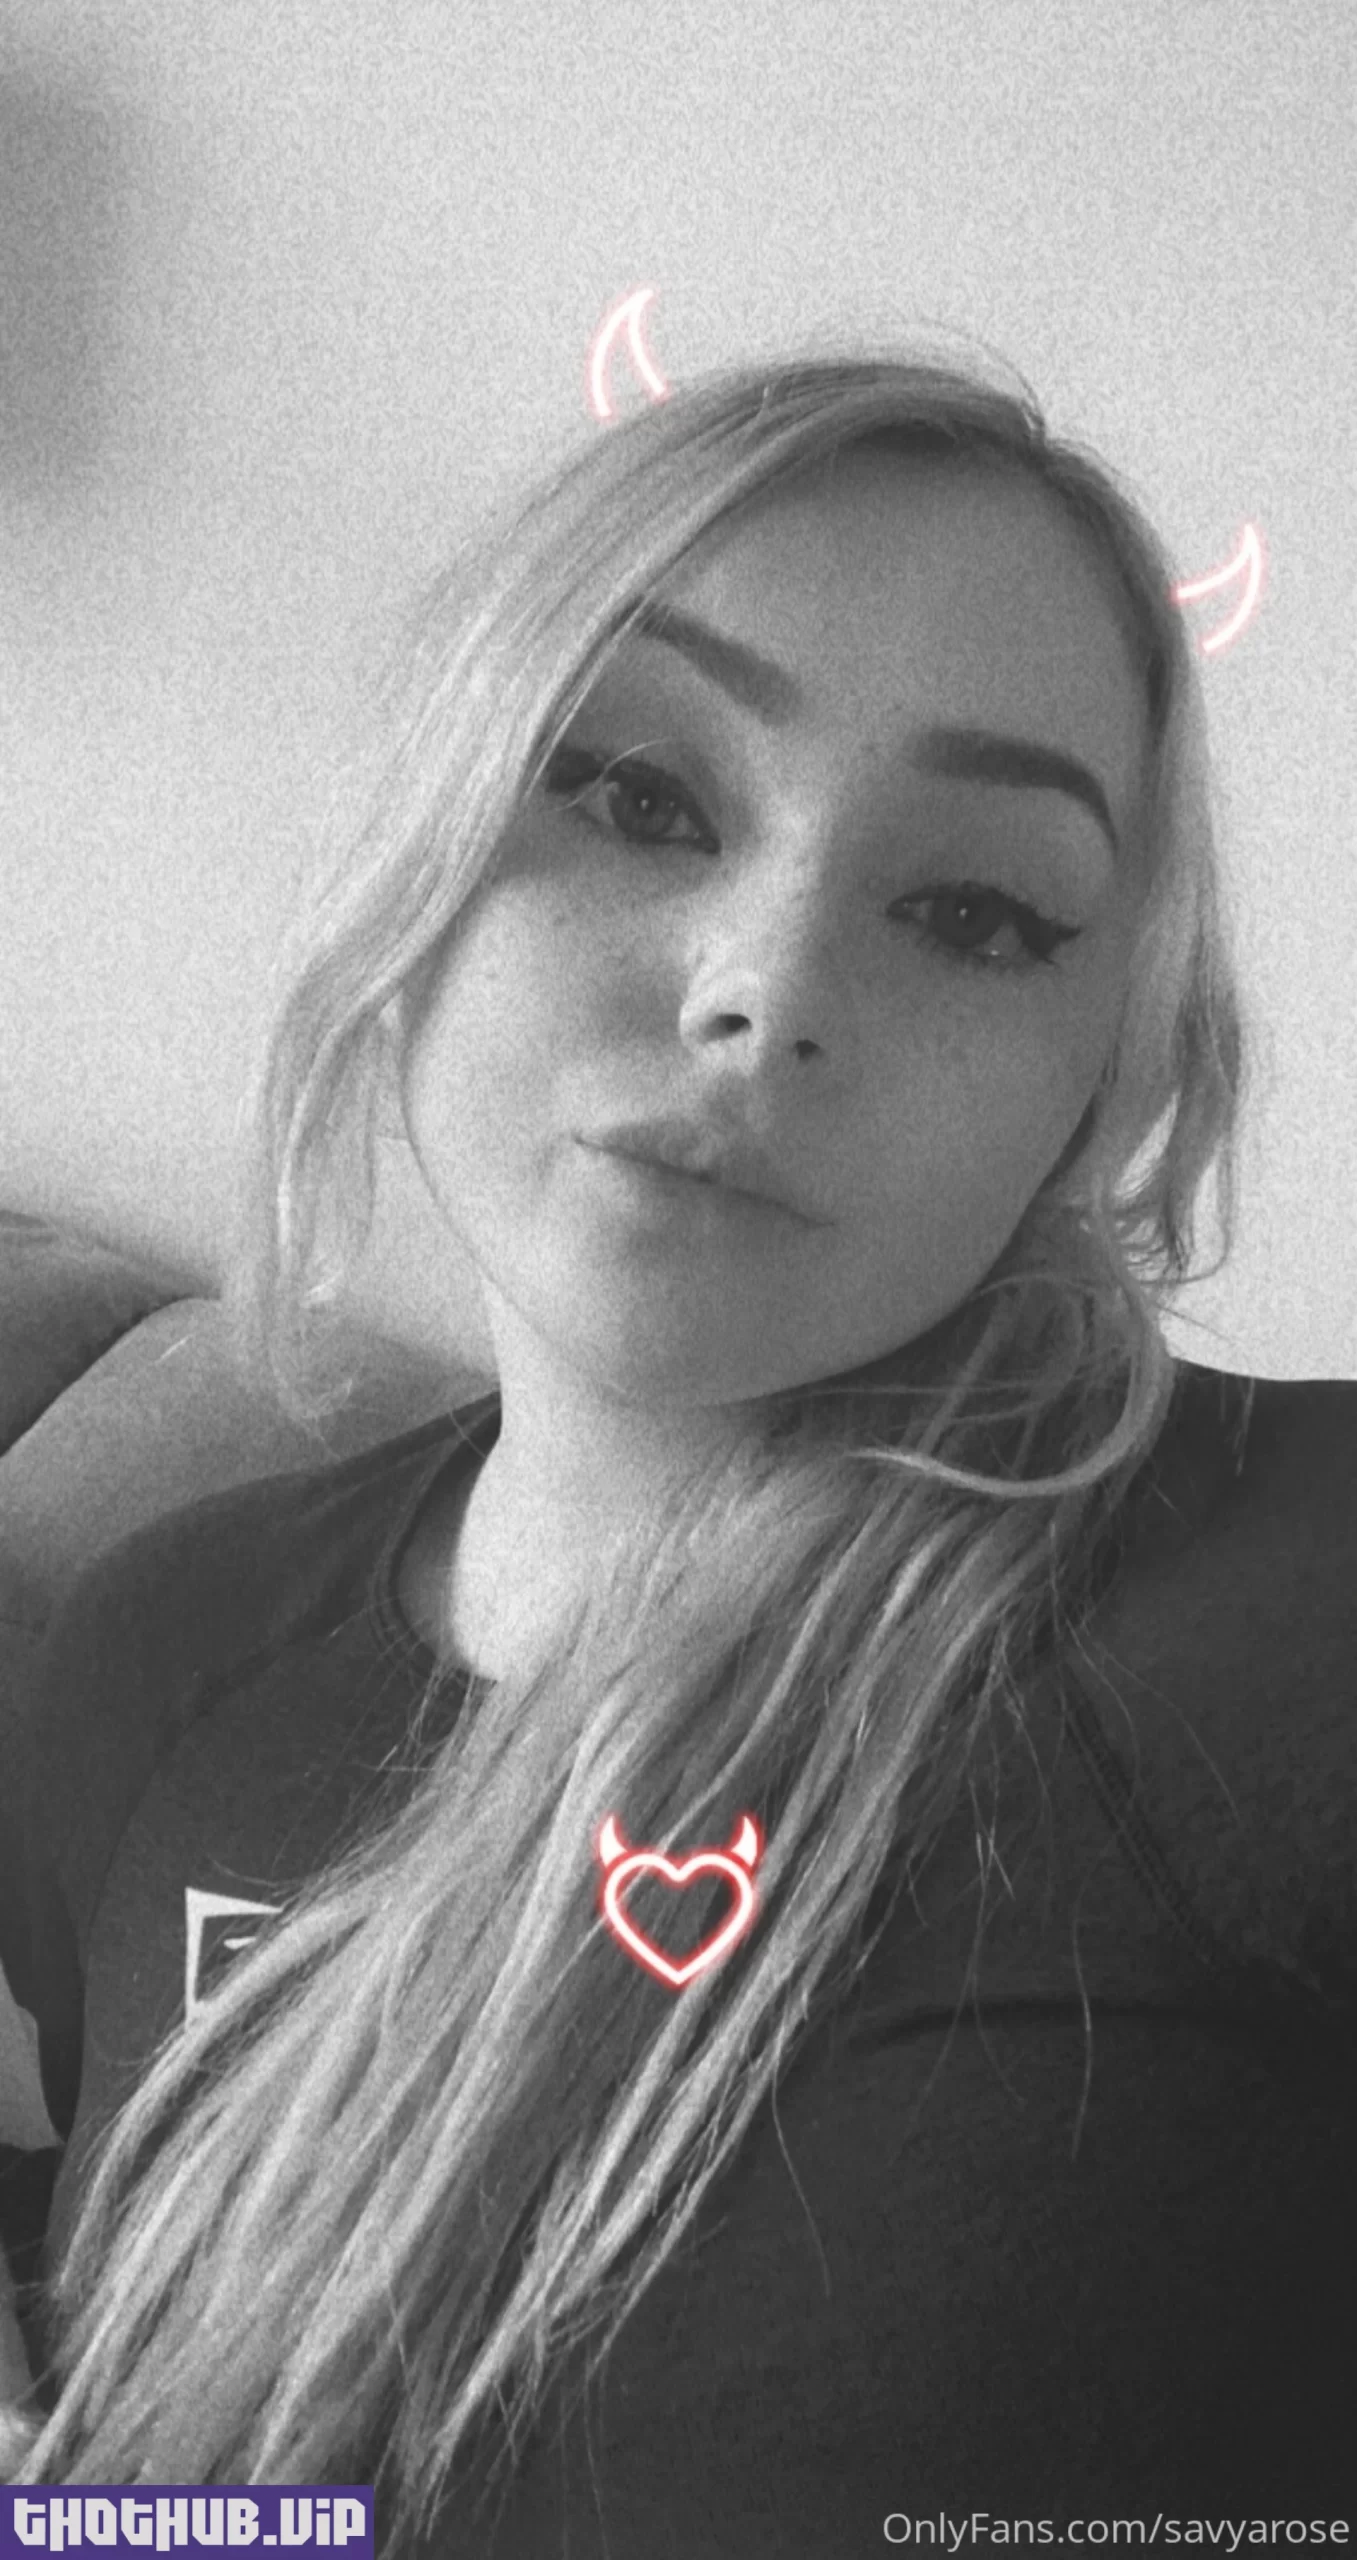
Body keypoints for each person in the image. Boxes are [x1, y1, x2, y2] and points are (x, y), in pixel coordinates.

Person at [1, 330, 1354, 2550]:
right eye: (640, 793)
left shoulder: (1292, 1589)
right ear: (424, 848)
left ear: (1093, 1090)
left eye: (973, 911)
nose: (768, 987)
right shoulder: (161, 1647)